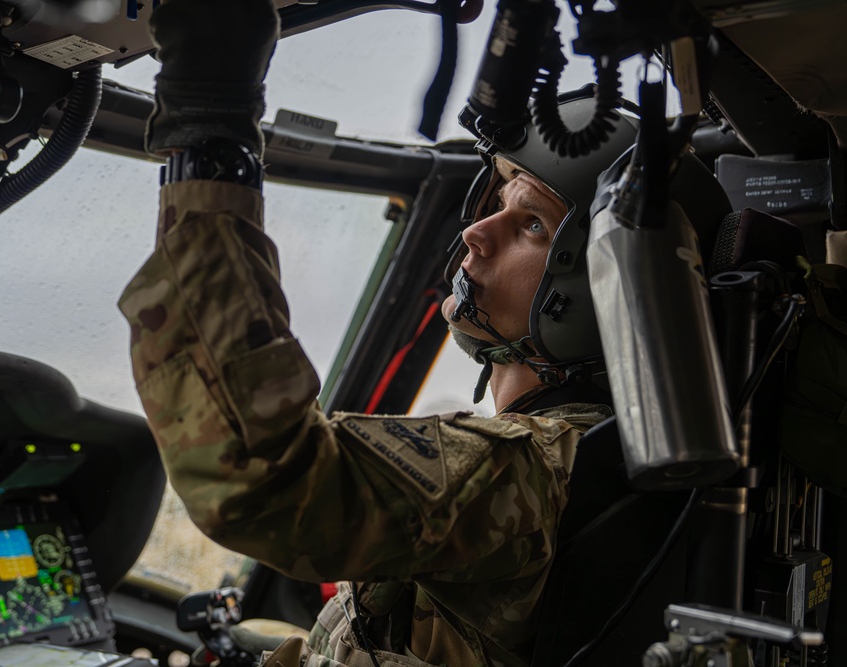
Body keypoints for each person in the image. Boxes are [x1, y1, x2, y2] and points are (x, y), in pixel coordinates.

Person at [118, 1, 635, 665]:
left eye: (530, 224)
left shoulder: (536, 469)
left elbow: (257, 474)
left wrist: (209, 125)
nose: (476, 232)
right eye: (496, 200)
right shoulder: (588, 451)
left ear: (596, 279)